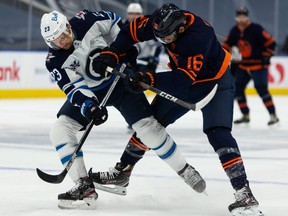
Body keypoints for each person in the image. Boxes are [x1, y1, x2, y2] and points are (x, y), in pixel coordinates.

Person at [89, 3, 264, 216]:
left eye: (167, 39)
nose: (163, 42)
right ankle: (122, 172)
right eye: (160, 38)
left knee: (218, 133)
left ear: (180, 29)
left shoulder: (198, 36)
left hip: (215, 83)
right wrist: (112, 53)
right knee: (149, 123)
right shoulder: (159, 21)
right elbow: (130, 32)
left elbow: (183, 79)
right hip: (187, 80)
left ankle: (244, 192)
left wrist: (148, 78)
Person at [40, 9, 205, 209]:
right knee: (60, 129)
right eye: (55, 41)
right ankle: (84, 185)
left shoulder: (86, 20)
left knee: (148, 127)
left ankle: (185, 170)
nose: (62, 42)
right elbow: (73, 88)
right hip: (93, 92)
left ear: (68, 25)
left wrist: (121, 51)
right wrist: (89, 106)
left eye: (63, 35)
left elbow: (114, 22)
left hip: (121, 80)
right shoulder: (54, 60)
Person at [222, 7, 279, 126]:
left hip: (258, 65)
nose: (241, 18)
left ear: (247, 17)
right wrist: (221, 52)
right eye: (239, 15)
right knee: (237, 89)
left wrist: (266, 55)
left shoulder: (256, 29)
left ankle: (273, 116)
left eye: (244, 15)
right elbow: (227, 45)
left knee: (261, 89)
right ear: (236, 17)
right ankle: (245, 115)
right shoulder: (235, 30)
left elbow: (271, 43)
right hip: (243, 65)